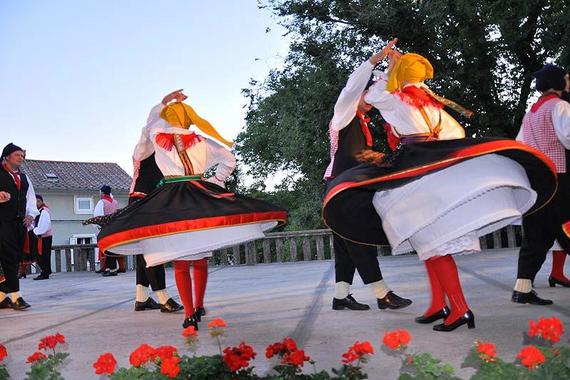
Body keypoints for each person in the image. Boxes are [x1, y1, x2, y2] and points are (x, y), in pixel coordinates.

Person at [323, 51, 557, 331]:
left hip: (411, 173)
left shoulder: (393, 98)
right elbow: (455, 135)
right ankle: (435, 304)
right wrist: (436, 152)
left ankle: (457, 308)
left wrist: (386, 69)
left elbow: (373, 92)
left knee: (431, 242)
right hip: (425, 170)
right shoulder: (430, 105)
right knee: (425, 244)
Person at [87, 91, 288, 328]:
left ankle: (189, 315)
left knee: (181, 262)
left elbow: (148, 128)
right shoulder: (202, 141)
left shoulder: (158, 137)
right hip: (199, 197)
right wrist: (215, 182)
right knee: (200, 258)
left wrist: (163, 104)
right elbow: (229, 159)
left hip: (172, 200)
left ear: (168, 119)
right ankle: (199, 305)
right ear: (189, 120)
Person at [325, 38, 412, 312]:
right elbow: (352, 86)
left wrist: (393, 69)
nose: (373, 100)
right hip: (342, 188)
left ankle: (341, 295)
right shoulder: (343, 114)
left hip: (347, 186)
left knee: (345, 242)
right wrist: (376, 59)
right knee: (359, 238)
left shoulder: (360, 122)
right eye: (369, 93)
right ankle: (381, 293)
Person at [511, 64, 570, 304]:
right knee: (567, 227)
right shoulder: (560, 106)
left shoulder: (531, 112)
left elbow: (519, 143)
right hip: (559, 177)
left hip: (538, 179)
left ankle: (522, 289)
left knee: (536, 234)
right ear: (557, 84)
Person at [0, 143, 39, 310]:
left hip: (19, 223)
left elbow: (31, 199)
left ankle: (1, 296)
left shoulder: (24, 178)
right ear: (6, 156)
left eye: (22, 155)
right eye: (17, 155)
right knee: (9, 257)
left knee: (15, 257)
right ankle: (16, 296)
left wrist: (31, 215)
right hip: (2, 222)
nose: (21, 158)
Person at [93, 185, 120, 277]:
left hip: (106, 228)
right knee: (113, 248)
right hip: (115, 227)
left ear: (103, 193)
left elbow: (98, 216)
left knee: (107, 248)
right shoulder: (115, 202)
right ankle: (111, 268)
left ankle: (112, 269)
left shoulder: (102, 202)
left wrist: (99, 226)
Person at [31, 194, 53, 280]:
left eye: (38, 201)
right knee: (40, 255)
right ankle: (46, 271)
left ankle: (45, 273)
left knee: (43, 255)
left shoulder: (44, 211)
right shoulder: (38, 211)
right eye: (35, 201)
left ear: (42, 202)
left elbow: (45, 225)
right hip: (40, 236)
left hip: (44, 236)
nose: (37, 203)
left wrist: (36, 231)